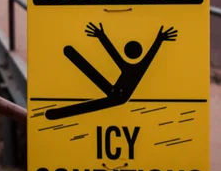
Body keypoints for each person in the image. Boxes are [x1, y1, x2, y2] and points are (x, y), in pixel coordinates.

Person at [45, 22, 177, 120]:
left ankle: (57, 114)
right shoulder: (136, 66)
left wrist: (159, 39)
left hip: (119, 98)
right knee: (95, 80)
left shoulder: (137, 67)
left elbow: (116, 53)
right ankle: (56, 113)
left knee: (90, 105)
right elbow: (114, 53)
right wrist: (101, 36)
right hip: (114, 91)